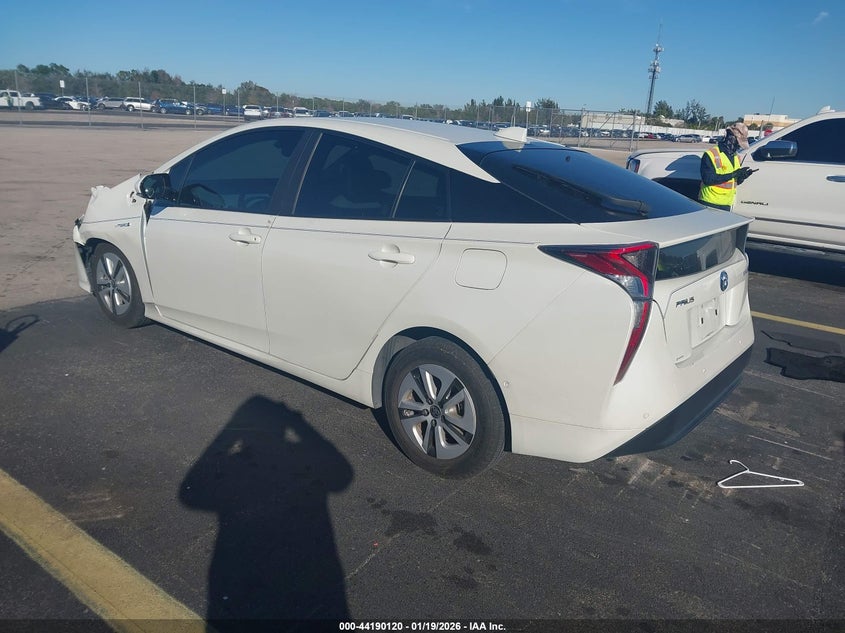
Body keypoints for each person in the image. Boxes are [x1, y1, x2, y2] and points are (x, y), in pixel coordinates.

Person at [698, 121, 755, 211]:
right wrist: (733, 174)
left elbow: (732, 182)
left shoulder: (736, 157)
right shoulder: (711, 154)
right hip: (710, 203)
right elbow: (708, 179)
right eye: (738, 142)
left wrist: (741, 177)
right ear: (731, 137)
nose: (739, 146)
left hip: (726, 204)